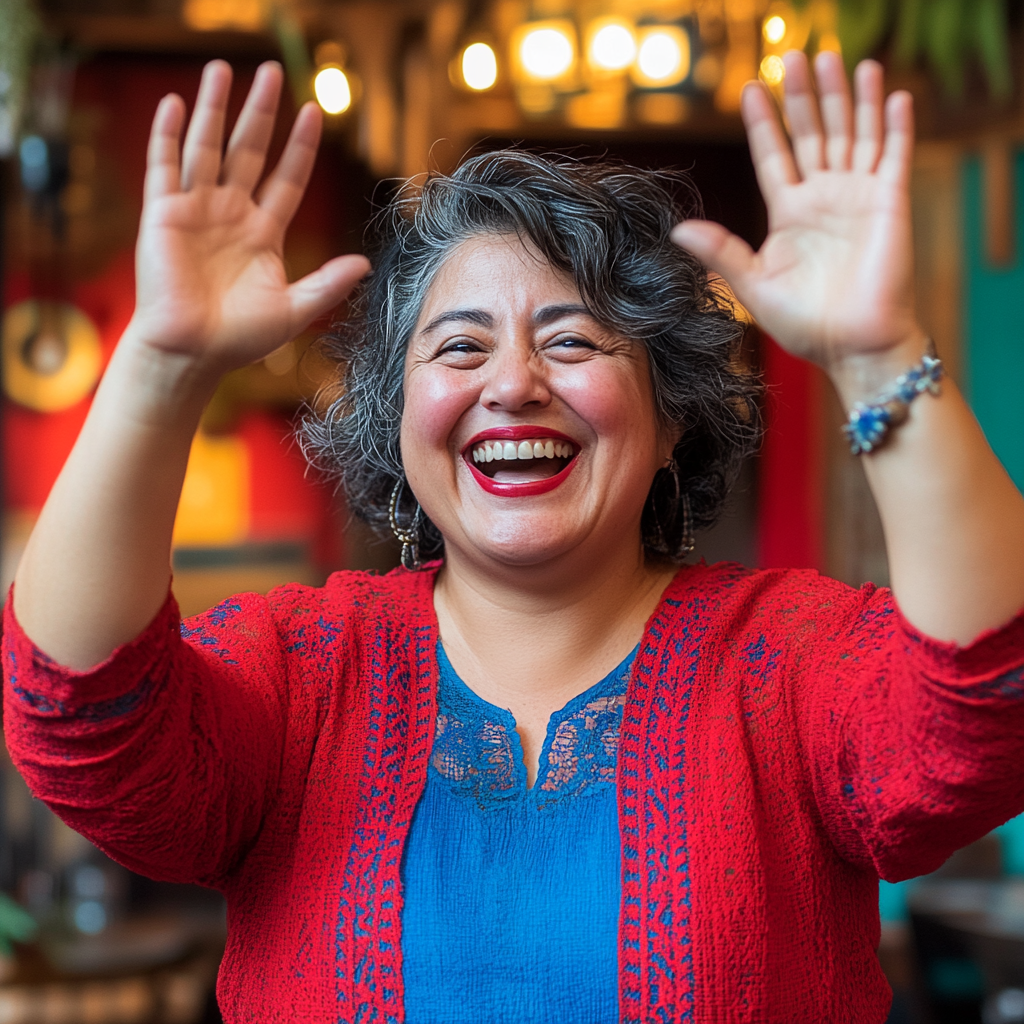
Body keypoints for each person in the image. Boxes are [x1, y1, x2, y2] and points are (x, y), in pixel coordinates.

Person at [3, 46, 1023, 1024]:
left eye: (571, 339)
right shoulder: (304, 673)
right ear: (397, 423)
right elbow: (82, 719)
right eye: (460, 346)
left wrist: (875, 352)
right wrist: (161, 365)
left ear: (671, 416)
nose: (512, 383)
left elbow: (986, 707)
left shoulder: (785, 662)